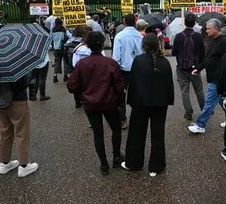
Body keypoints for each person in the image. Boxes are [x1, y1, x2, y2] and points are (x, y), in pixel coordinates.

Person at [67, 31, 125, 175]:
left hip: (90, 103)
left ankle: (104, 164)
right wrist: (120, 101)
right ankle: (116, 156)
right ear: (102, 44)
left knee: (97, 133)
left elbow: (71, 86)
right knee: (116, 129)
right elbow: (119, 85)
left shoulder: (81, 64)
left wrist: (83, 92)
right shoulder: (110, 63)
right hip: (110, 102)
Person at [122, 33, 174, 177]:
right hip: (160, 104)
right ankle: (156, 166)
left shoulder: (138, 61)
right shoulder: (164, 62)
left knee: (136, 133)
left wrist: (131, 101)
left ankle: (134, 163)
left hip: (140, 103)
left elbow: (133, 84)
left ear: (144, 45)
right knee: (158, 134)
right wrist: (168, 101)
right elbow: (169, 85)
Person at [188, 18, 226, 134]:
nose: (206, 31)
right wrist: (199, 68)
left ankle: (200, 125)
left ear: (216, 29)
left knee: (209, 102)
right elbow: (208, 58)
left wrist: (223, 77)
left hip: (218, 78)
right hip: (214, 77)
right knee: (221, 100)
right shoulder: (214, 40)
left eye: (208, 29)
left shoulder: (224, 42)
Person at [0, 74, 39, 177]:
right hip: (18, 100)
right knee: (21, 132)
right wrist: (29, 76)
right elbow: (22, 84)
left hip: (0, 100)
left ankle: (4, 163)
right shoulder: (16, 63)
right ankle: (24, 165)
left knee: (4, 131)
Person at [171, 13, 205, 121]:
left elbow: (174, 52)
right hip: (195, 68)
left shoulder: (178, 36)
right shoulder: (198, 36)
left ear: (184, 23)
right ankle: (204, 110)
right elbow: (202, 53)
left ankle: (189, 112)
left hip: (182, 68)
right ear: (194, 23)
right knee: (199, 90)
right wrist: (199, 66)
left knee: (185, 91)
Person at [112, 14, 143, 129]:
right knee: (137, 94)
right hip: (137, 69)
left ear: (124, 23)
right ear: (134, 22)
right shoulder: (140, 36)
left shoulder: (119, 36)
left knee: (121, 94)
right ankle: (137, 117)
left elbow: (116, 57)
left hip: (123, 69)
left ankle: (122, 119)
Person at [28, 17, 51, 101]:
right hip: (44, 61)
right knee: (42, 79)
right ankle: (42, 95)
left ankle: (33, 96)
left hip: (33, 61)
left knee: (35, 78)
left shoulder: (28, 38)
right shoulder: (43, 36)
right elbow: (49, 47)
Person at [51, 18, 71, 83]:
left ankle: (55, 76)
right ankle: (65, 76)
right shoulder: (64, 30)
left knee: (57, 61)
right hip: (64, 48)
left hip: (56, 48)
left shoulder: (52, 30)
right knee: (65, 62)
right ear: (62, 23)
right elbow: (70, 37)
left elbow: (51, 39)